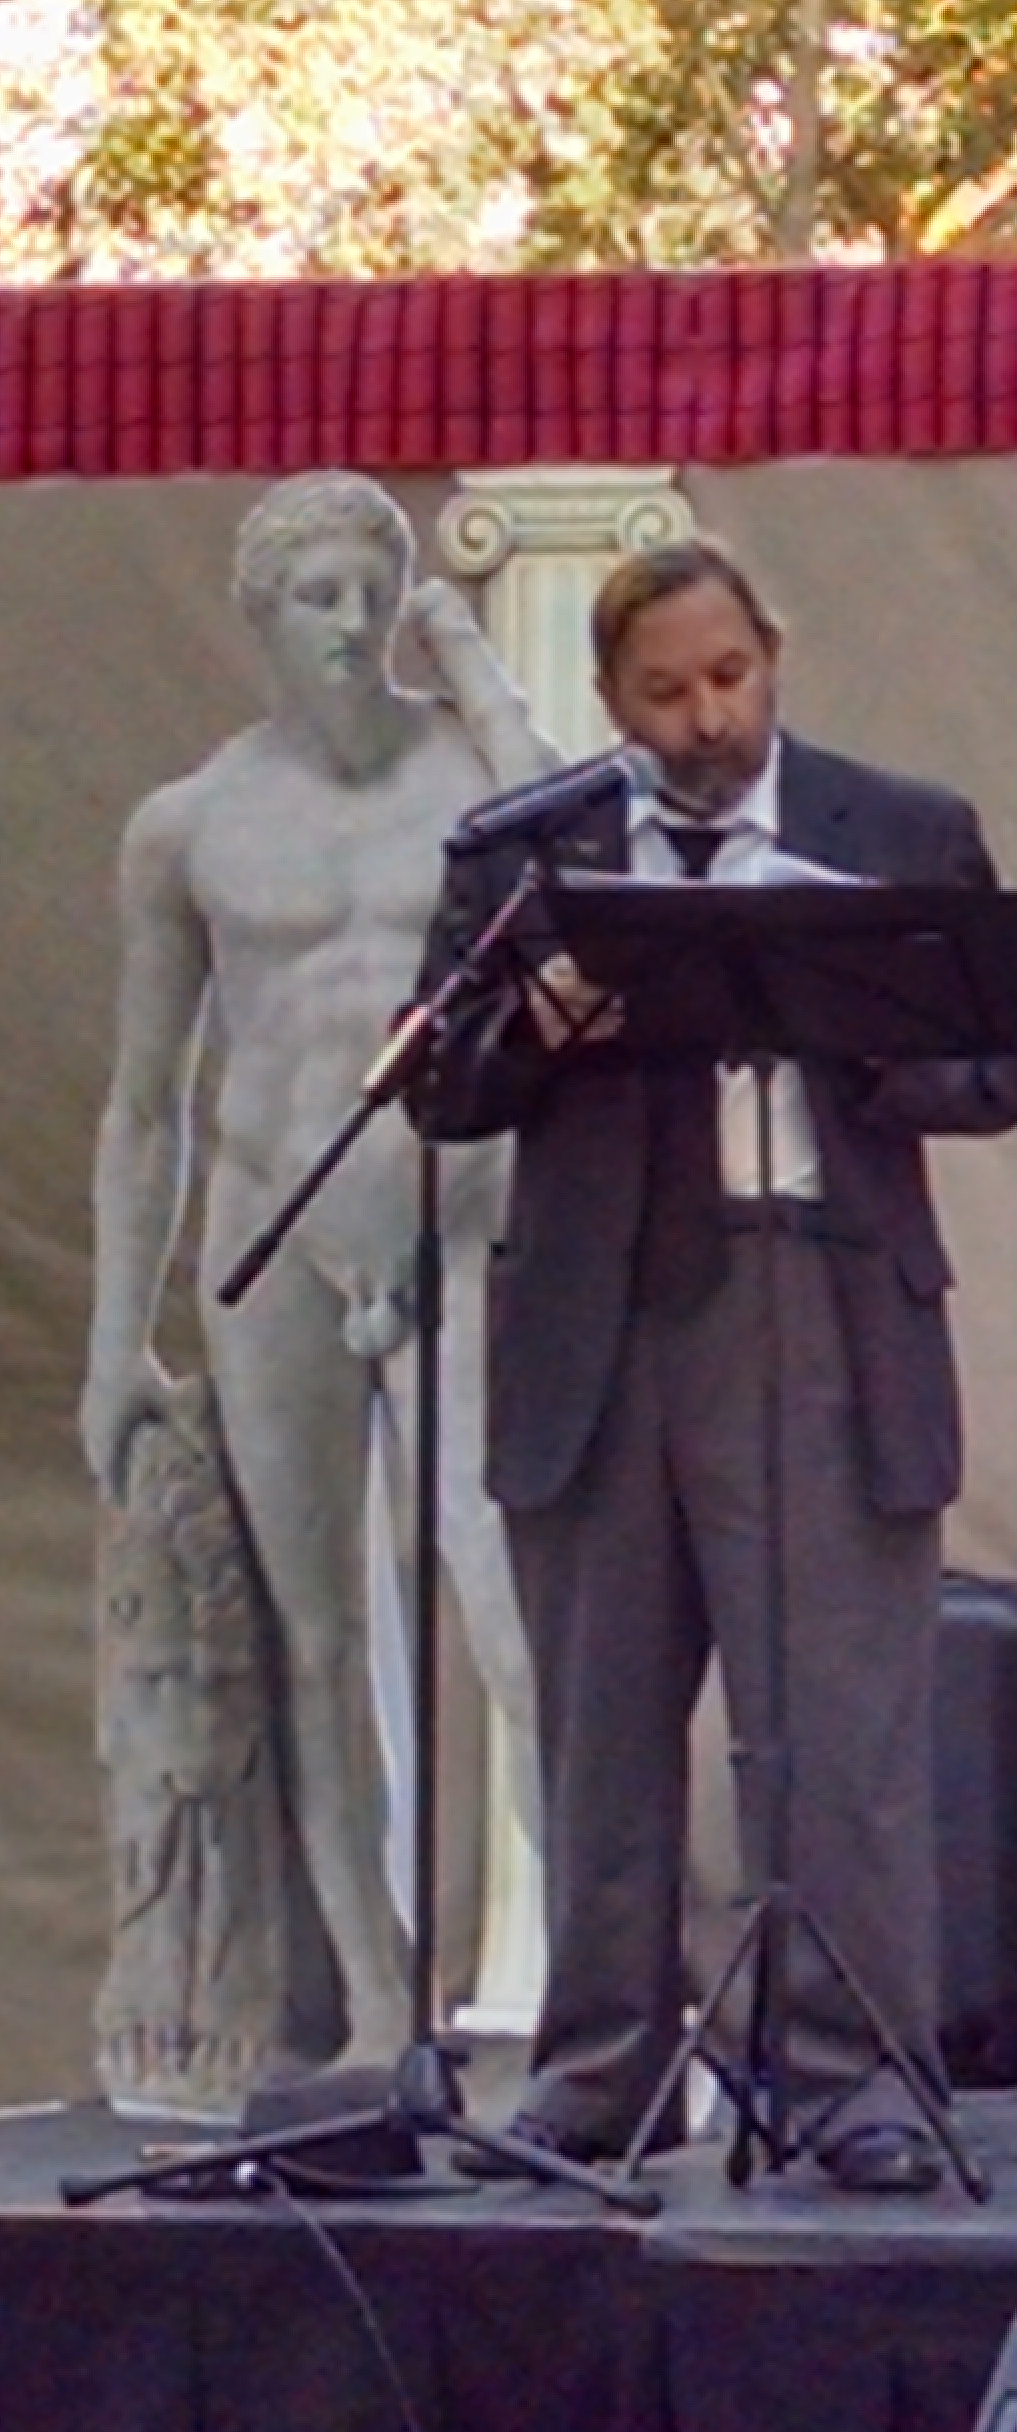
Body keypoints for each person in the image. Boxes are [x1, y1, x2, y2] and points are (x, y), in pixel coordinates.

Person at [419, 538, 1017, 2194]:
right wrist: (538, 1018)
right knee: (603, 1725)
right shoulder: (534, 848)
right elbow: (437, 1085)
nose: (707, 720)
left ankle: (855, 2082)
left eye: (731, 677)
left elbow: (1012, 1063)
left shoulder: (895, 828)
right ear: (609, 701)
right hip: (602, 1314)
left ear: (773, 654)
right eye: (665, 694)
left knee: (840, 1730)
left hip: (821, 1294)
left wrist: (858, 1019)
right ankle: (597, 2075)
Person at [87, 472, 563, 2068]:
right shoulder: (192, 824)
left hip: (456, 1218)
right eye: (320, 598)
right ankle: (375, 2004)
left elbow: (573, 841)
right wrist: (116, 1342)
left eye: (375, 591)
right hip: (271, 1235)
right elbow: (145, 1105)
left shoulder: (470, 772)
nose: (354, 625)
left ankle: (599, 2004)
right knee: (312, 1638)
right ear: (260, 617)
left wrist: (471, 660)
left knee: (508, 1617)